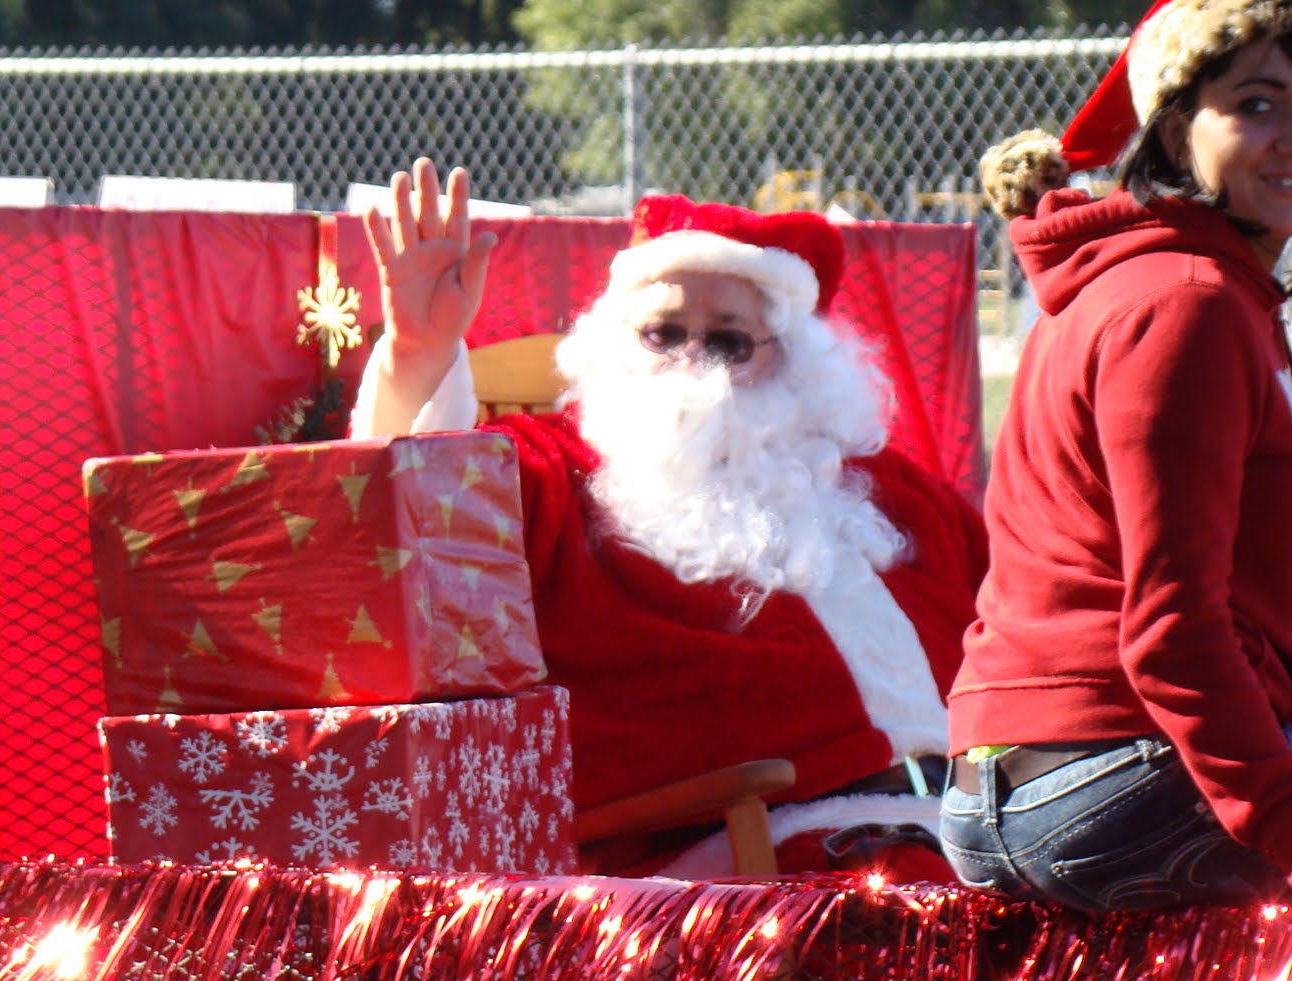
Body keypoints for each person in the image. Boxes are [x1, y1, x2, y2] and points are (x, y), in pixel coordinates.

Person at [351, 158, 987, 878]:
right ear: (619, 344)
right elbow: (417, 520)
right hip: (728, 851)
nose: (693, 363)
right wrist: (418, 355)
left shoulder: (897, 500)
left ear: (792, 363)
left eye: (726, 342)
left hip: (960, 818)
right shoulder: (552, 477)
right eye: (663, 334)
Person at [944, 0, 1292, 911]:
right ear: (1173, 128)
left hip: (1040, 776)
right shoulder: (1184, 305)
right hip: (1105, 776)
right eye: (1258, 105)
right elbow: (1173, 633)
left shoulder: (1160, 282)